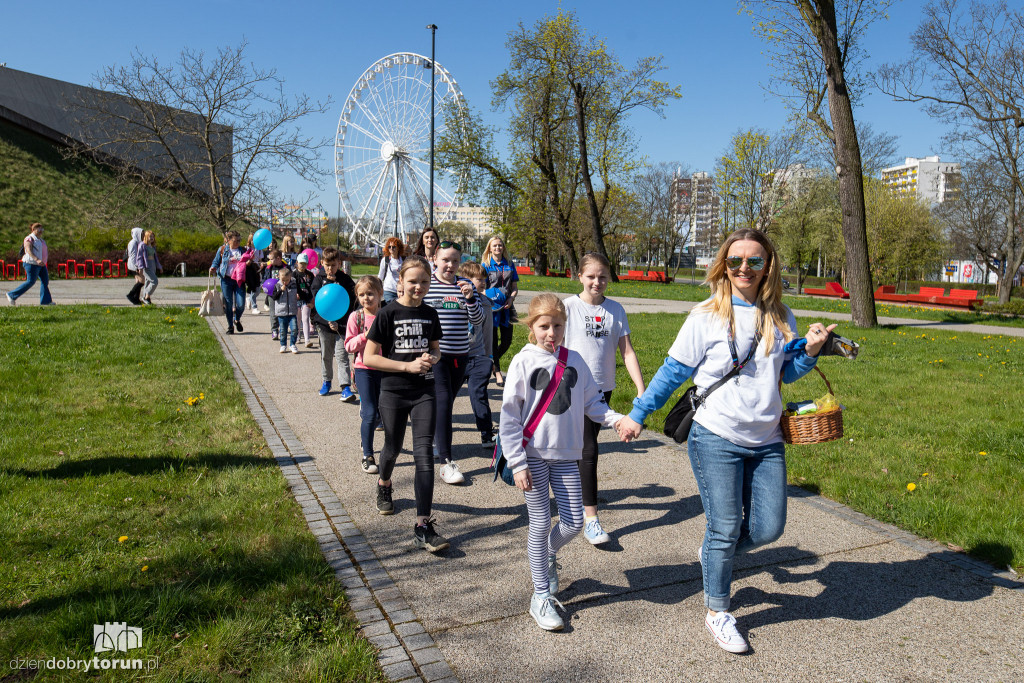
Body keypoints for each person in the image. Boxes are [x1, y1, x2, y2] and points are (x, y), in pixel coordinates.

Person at [617, 228, 836, 654]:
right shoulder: (706, 316)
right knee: (725, 527)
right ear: (723, 265)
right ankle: (718, 612)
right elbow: (672, 373)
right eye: (736, 261)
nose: (744, 269)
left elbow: (783, 374)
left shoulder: (781, 316)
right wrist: (638, 414)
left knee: (769, 528)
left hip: (767, 438)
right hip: (716, 436)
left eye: (755, 261)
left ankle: (714, 554)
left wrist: (808, 351)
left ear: (768, 266)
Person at [500, 293, 628, 632]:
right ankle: (540, 595)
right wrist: (517, 463)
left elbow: (594, 404)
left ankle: (545, 556)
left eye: (558, 325)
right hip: (532, 455)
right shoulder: (523, 362)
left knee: (572, 523)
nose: (551, 333)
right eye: (544, 326)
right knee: (540, 523)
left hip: (566, 455)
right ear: (532, 326)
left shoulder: (575, 361)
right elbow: (510, 416)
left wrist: (616, 420)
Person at [363, 257, 449, 553]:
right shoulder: (388, 314)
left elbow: (436, 350)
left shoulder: (430, 313)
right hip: (394, 391)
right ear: (400, 282)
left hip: (424, 390)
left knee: (425, 454)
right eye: (413, 281)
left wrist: (430, 360)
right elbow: (369, 358)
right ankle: (385, 484)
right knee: (392, 448)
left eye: (424, 282)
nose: (419, 287)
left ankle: (423, 525)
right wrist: (407, 367)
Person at [563, 252, 645, 545]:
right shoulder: (568, 307)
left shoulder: (615, 310)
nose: (597, 282)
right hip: (570, 387)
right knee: (587, 449)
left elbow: (627, 351)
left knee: (583, 448)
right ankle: (591, 518)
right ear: (579, 276)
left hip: (602, 388)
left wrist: (640, 388)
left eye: (602, 277)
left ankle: (575, 498)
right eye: (591, 277)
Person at [423, 240, 484, 485]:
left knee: (444, 404)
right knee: (444, 402)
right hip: (436, 356)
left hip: (461, 356)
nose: (450, 265)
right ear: (435, 259)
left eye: (455, 261)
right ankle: (446, 462)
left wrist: (470, 298)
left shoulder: (465, 285)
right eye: (446, 259)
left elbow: (478, 320)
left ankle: (433, 438)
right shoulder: (428, 285)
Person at [345, 275, 385, 474]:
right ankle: (367, 455)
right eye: (362, 295)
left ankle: (370, 438)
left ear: (380, 294)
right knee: (369, 412)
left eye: (370, 294)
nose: (366, 298)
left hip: (385, 369)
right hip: (364, 369)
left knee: (382, 413)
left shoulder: (386, 315)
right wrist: (364, 336)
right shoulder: (356, 317)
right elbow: (349, 345)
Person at [457, 260, 496, 448]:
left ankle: (486, 433)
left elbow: (488, 332)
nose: (483, 282)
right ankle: (437, 434)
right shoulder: (454, 299)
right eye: (478, 279)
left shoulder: (485, 303)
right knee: (444, 397)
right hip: (455, 356)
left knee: (478, 394)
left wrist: (489, 357)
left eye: (484, 279)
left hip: (478, 356)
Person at [310, 247, 357, 401]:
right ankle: (326, 381)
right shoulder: (318, 279)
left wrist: (344, 321)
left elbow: (352, 301)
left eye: (334, 265)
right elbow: (317, 299)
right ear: (322, 263)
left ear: (339, 263)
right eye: (327, 265)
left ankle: (345, 387)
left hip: (342, 326)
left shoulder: (345, 279)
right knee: (326, 355)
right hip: (323, 325)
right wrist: (327, 285)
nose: (330, 268)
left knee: (342, 356)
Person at [482, 235, 519, 386]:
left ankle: (490, 362)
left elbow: (514, 287)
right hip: (491, 307)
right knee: (492, 340)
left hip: (507, 308)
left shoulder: (509, 264)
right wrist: (491, 296)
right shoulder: (485, 265)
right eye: (494, 245)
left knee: (506, 341)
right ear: (489, 248)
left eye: (500, 245)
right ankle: (497, 372)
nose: (498, 248)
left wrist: (511, 299)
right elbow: (481, 288)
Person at [209, 230, 248, 334]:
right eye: (235, 241)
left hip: (239, 280)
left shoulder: (242, 250)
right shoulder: (222, 250)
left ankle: (237, 319)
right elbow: (216, 262)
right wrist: (213, 268)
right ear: (228, 241)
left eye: (239, 240)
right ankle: (230, 326)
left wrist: (249, 262)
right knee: (228, 304)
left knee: (240, 304)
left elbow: (248, 262)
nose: (238, 243)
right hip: (226, 280)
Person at [6, 223, 52, 306]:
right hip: (31, 263)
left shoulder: (41, 240)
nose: (41, 231)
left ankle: (46, 301)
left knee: (45, 281)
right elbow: (28, 250)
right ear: (33, 230)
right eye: (39, 229)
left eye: (42, 229)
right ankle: (12, 295)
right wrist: (37, 259)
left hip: (41, 264)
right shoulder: (29, 239)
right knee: (30, 282)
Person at [270, 267, 300, 354]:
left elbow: (300, 292)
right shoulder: (277, 285)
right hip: (281, 312)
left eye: (287, 280)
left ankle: (292, 344)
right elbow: (274, 297)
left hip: (292, 311)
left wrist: (299, 295)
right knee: (283, 331)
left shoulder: (294, 284)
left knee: (294, 329)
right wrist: (280, 290)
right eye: (283, 280)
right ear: (279, 277)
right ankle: (283, 345)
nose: (285, 282)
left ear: (290, 277)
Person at [262, 250, 288, 340]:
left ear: (278, 259)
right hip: (272, 293)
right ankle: (274, 330)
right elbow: (265, 278)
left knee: (282, 312)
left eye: (271, 259)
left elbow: (290, 278)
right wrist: (263, 284)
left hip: (283, 292)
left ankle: (282, 330)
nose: (269, 261)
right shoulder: (269, 268)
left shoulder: (285, 268)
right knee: (273, 312)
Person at [294, 253, 316, 347]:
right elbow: (291, 286)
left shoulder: (310, 275)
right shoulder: (294, 274)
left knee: (305, 319)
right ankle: (298, 336)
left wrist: (312, 300)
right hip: (297, 300)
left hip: (307, 300)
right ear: (297, 263)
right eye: (301, 263)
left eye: (305, 263)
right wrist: (295, 293)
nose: (303, 265)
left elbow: (313, 287)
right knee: (298, 319)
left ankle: (307, 340)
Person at [137, 230, 163, 305]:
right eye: (150, 236)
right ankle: (147, 296)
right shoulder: (142, 245)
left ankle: (145, 298)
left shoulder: (153, 246)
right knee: (154, 281)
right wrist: (140, 268)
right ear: (146, 237)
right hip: (146, 266)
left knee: (148, 282)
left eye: (153, 236)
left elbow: (156, 258)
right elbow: (139, 258)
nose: (152, 238)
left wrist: (159, 267)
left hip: (153, 265)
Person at [377, 237, 405, 304]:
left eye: (394, 247)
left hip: (401, 290)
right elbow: (380, 275)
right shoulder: (385, 260)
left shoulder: (404, 260)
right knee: (391, 307)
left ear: (398, 248)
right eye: (389, 247)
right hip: (389, 290)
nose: (391, 248)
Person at [125, 227, 145, 305]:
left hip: (133, 264)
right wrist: (136, 266)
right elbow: (133, 256)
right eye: (141, 234)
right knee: (142, 280)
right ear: (137, 234)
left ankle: (136, 299)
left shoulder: (137, 242)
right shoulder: (133, 243)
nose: (143, 235)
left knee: (138, 281)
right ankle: (130, 295)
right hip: (133, 265)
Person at [245, 233, 265, 314]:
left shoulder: (259, 250)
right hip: (250, 270)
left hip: (257, 270)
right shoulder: (247, 249)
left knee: (258, 290)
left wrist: (262, 265)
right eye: (253, 239)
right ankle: (254, 307)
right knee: (253, 288)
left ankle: (249, 299)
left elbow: (260, 260)